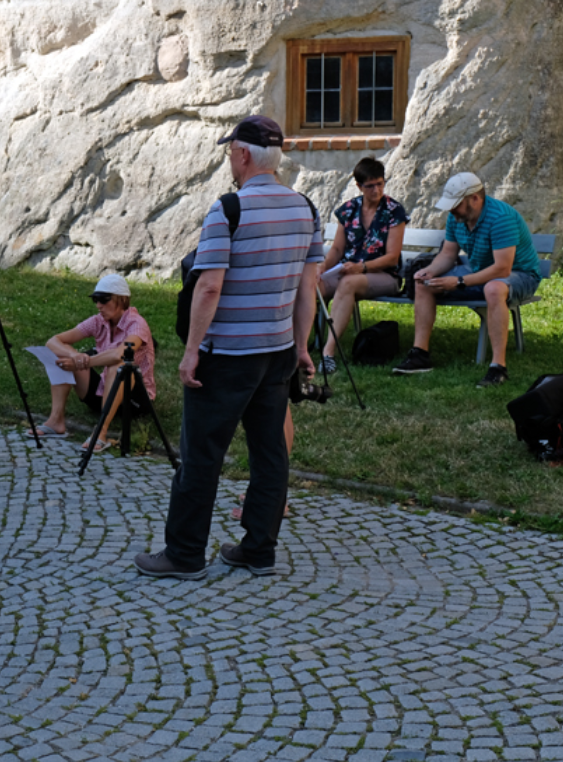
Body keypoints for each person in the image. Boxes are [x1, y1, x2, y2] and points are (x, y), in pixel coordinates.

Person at [134, 115, 322, 580]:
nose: (229, 161)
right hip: (277, 351)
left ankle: (184, 555)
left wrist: (192, 350)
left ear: (242, 155)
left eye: (229, 152)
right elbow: (308, 288)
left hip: (227, 355)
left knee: (201, 454)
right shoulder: (306, 209)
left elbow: (209, 287)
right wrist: (301, 346)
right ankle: (259, 550)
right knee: (270, 455)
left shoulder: (229, 209)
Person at [392, 172, 543, 387]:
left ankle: (498, 367)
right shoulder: (457, 218)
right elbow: (448, 254)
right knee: (424, 284)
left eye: (456, 204)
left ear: (475, 198)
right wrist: (429, 271)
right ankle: (420, 355)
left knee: (493, 289)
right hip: (480, 271)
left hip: (520, 275)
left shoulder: (501, 218)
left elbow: (502, 268)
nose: (451, 210)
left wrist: (460, 282)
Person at [26, 274, 155, 453]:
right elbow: (53, 341)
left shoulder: (137, 324)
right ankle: (56, 421)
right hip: (103, 392)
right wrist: (75, 356)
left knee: (120, 365)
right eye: (95, 300)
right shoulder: (98, 321)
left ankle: (101, 432)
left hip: (134, 400)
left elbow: (119, 354)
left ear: (122, 299)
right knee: (60, 355)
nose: (98, 305)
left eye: (103, 299)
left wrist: (84, 363)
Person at [317, 157, 409, 374]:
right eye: (370, 186)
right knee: (312, 284)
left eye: (380, 184)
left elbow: (392, 258)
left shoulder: (394, 211)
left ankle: (328, 353)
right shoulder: (348, 210)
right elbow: (337, 250)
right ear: (359, 186)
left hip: (385, 275)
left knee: (348, 283)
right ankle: (296, 346)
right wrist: (322, 268)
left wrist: (362, 267)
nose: (376, 190)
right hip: (348, 272)